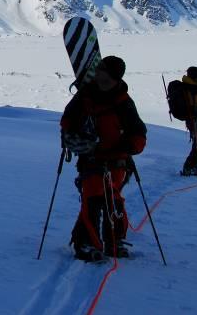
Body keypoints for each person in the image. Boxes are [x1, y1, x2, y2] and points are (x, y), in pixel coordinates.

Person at [61, 56, 147, 262]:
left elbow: (138, 133)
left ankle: (112, 242)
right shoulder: (85, 97)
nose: (100, 76)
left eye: (105, 73)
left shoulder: (123, 101)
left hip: (116, 162)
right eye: (100, 71)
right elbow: (67, 121)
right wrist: (75, 137)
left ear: (115, 77)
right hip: (92, 159)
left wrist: (127, 147)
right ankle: (86, 244)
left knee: (113, 201)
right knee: (93, 201)